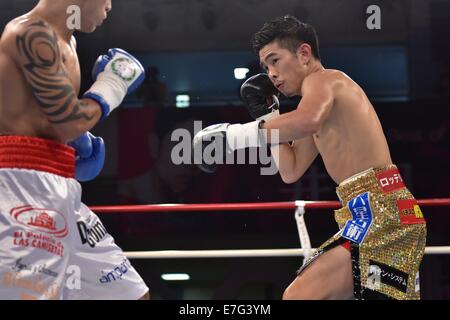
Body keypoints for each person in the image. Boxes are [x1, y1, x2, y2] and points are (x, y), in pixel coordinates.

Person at [193, 15, 427, 300]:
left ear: (304, 53)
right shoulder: (314, 110)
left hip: (380, 213)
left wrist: (232, 137)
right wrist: (268, 115)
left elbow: (306, 121)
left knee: (299, 296)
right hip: (384, 213)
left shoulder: (326, 81)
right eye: (265, 67)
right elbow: (290, 170)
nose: (271, 74)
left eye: (275, 60)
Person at [0, 0, 149, 299]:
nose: (109, 6)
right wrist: (112, 85)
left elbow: (51, 122)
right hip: (22, 188)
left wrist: (70, 148)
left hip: (58, 185)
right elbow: (69, 120)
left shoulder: (69, 41)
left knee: (130, 294)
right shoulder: (30, 34)